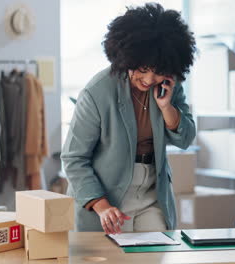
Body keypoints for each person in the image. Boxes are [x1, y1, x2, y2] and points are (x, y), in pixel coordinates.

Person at [61, 3, 196, 234]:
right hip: (106, 197)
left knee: (155, 254)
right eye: (143, 68)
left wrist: (166, 107)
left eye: (158, 70)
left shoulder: (170, 86)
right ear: (127, 57)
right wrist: (102, 207)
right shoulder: (98, 91)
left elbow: (185, 139)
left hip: (152, 195)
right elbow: (74, 159)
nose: (149, 78)